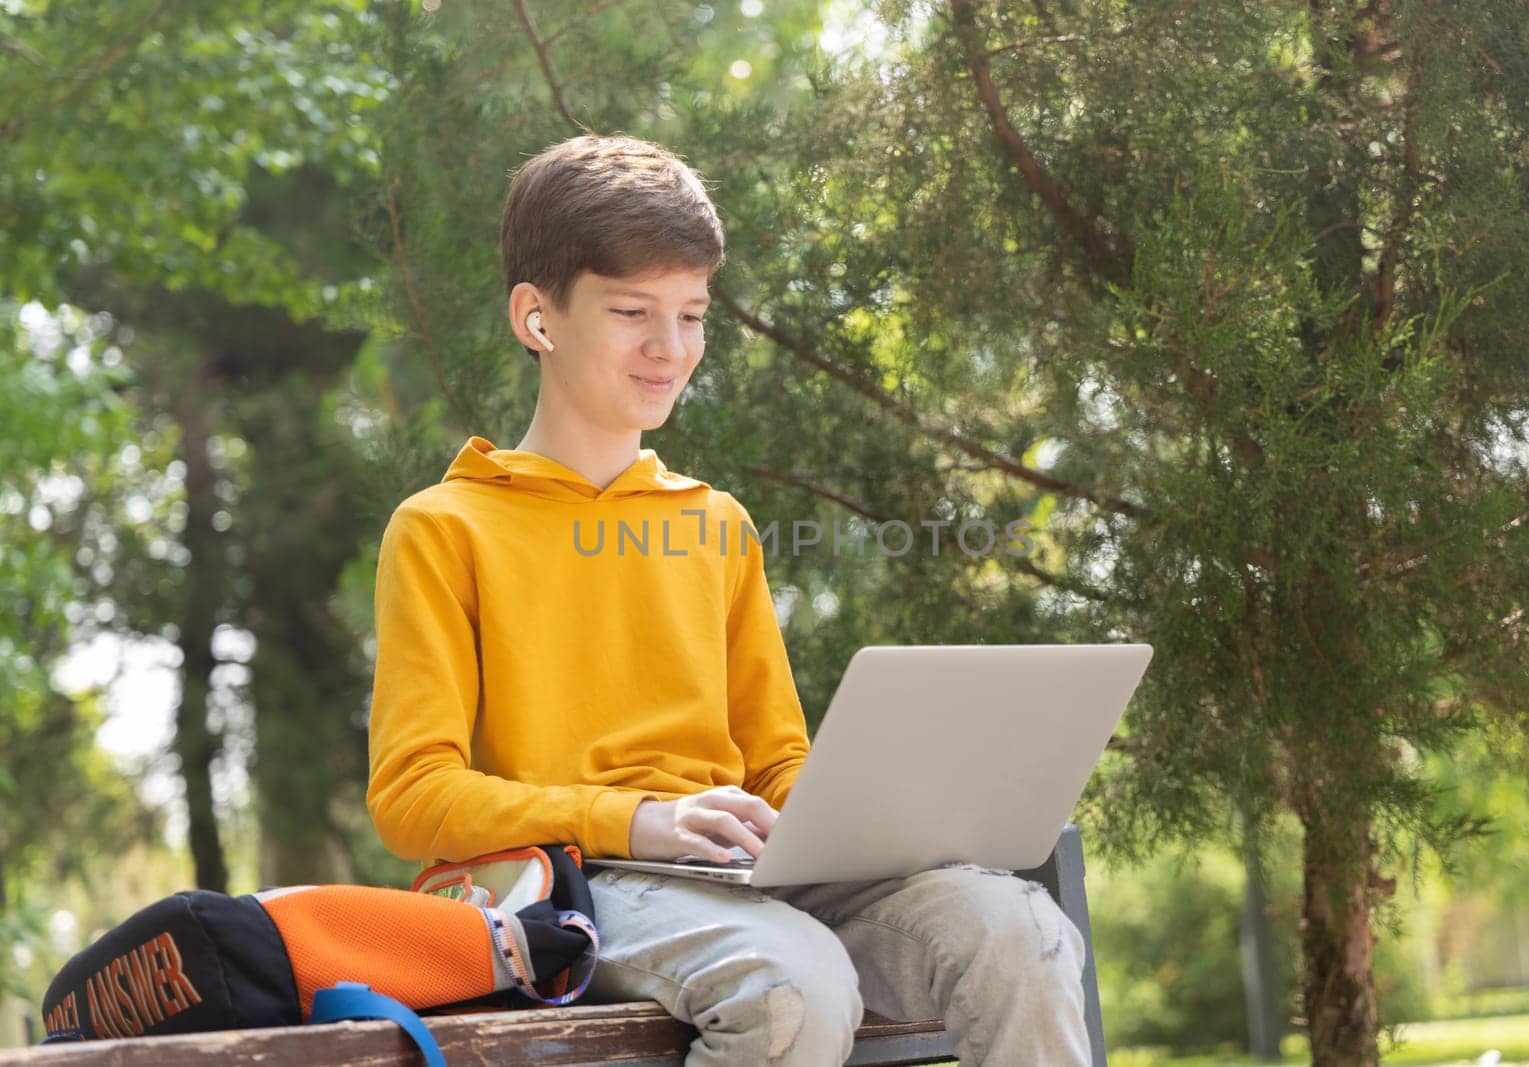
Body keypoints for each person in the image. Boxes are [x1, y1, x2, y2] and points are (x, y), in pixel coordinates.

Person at [365, 132, 1092, 1065]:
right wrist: (637, 819)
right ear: (537, 317)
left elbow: (776, 759)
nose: (670, 349)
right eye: (634, 312)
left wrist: (854, 822)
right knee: (788, 991)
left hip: (751, 879)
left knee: (1017, 929)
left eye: (693, 314)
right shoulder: (444, 528)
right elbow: (413, 798)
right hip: (579, 884)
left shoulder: (715, 524)